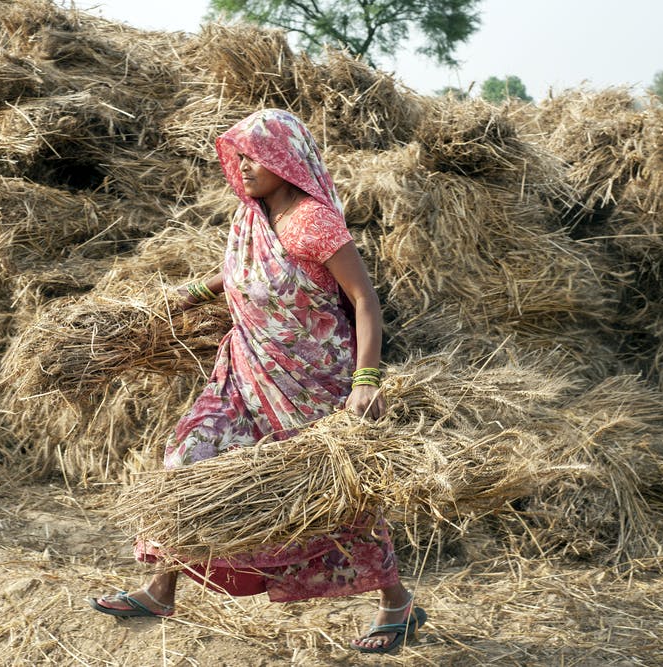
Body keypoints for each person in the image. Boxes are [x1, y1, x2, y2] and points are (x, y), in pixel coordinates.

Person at [89, 109, 426, 655]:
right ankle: (160, 587)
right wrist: (194, 292)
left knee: (339, 497)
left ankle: (396, 603)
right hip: (245, 370)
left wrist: (367, 380)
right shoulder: (253, 218)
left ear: (285, 161)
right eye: (238, 156)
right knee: (187, 456)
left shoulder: (316, 223)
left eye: (254, 157)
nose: (242, 167)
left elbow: (365, 300)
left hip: (314, 382)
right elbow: (245, 271)